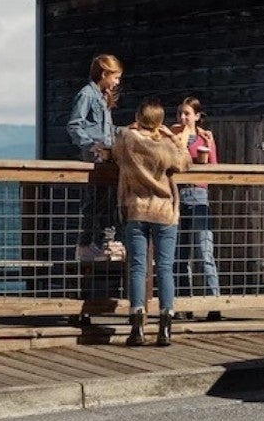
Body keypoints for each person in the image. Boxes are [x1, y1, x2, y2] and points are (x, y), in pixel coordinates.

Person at [114, 98, 192, 346]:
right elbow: (185, 162)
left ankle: (137, 326)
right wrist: (172, 136)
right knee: (165, 268)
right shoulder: (166, 145)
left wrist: (132, 127)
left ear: (138, 117)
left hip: (137, 209)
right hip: (164, 211)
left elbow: (114, 150)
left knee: (138, 268)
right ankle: (165, 327)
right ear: (160, 121)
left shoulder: (127, 139)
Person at [66, 54, 123, 265]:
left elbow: (107, 130)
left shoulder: (103, 97)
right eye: (115, 77)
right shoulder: (87, 95)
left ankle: (104, 242)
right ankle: (86, 245)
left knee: (107, 202)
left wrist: (126, 132)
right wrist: (90, 145)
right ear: (104, 74)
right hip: (94, 157)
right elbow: (74, 125)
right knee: (94, 201)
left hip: (107, 157)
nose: (117, 82)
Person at [172, 97, 222, 321]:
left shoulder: (205, 137)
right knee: (179, 255)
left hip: (198, 194)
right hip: (177, 195)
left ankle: (214, 304)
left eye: (187, 113)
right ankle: (184, 304)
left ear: (197, 116)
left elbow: (214, 167)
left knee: (204, 251)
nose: (183, 117)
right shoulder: (172, 135)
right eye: (180, 113)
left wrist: (207, 149)